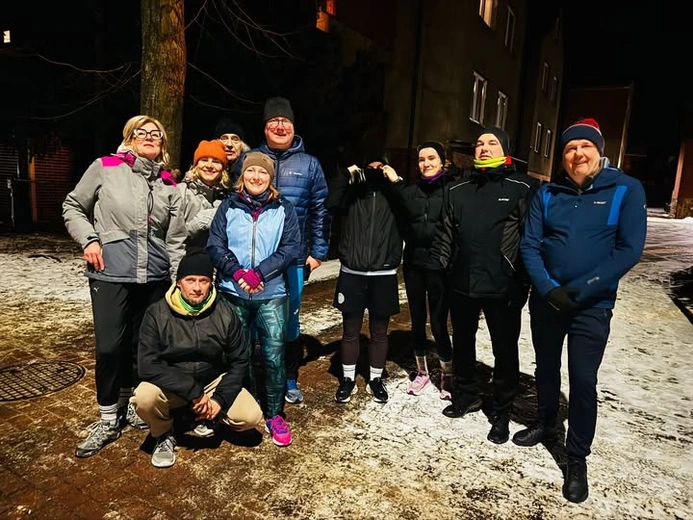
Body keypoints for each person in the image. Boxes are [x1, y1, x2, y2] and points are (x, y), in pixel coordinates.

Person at [516, 118, 647, 503]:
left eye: (585, 147)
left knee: (583, 379)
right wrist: (548, 289)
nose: (577, 154)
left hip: (593, 304)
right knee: (545, 367)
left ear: (599, 151)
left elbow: (629, 249)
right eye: (570, 148)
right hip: (548, 301)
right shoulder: (548, 192)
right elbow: (530, 245)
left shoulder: (625, 189)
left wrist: (583, 289)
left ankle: (576, 457)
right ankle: (545, 423)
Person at [62, 114, 186, 458]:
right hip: (110, 273)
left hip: (154, 277)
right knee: (109, 348)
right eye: (141, 132)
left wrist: (176, 278)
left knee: (140, 347)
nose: (149, 137)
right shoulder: (105, 167)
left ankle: (130, 403)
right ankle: (107, 418)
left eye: (156, 134)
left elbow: (174, 238)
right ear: (129, 138)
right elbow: (73, 206)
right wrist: (89, 240)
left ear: (162, 145)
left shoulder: (167, 183)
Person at [430, 127, 538, 444]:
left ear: (505, 150)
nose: (484, 148)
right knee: (463, 343)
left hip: (503, 287)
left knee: (504, 350)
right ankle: (466, 395)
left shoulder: (522, 187)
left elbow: (530, 238)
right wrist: (442, 271)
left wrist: (522, 283)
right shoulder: (458, 189)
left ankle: (501, 411)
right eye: (479, 143)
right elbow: (445, 234)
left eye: (492, 143)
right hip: (462, 283)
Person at [132, 251, 263, 468]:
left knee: (250, 416)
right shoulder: (156, 313)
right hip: (173, 384)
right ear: (178, 283)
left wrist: (218, 400)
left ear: (211, 284)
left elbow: (239, 361)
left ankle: (208, 416)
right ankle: (163, 434)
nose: (197, 287)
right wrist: (192, 391)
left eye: (203, 281)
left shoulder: (225, 313)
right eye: (190, 280)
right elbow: (147, 365)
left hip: (211, 382)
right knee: (143, 397)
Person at [207, 151, 301, 447]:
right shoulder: (228, 206)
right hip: (232, 293)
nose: (256, 177)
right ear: (242, 175)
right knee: (240, 355)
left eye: (262, 172)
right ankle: (245, 406)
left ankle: (274, 413)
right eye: (251, 171)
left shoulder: (284, 208)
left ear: (270, 178)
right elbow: (215, 245)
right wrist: (237, 273)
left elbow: (290, 248)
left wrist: (259, 273)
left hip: (271, 294)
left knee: (273, 356)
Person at [252, 96, 331, 405]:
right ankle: (256, 378)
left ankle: (288, 376)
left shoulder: (309, 164)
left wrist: (318, 251)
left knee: (289, 321)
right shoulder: (251, 158)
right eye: (274, 121)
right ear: (265, 127)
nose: (280, 126)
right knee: (253, 321)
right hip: (256, 259)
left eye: (285, 121)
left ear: (294, 126)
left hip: (294, 260)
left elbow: (320, 209)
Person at [326, 152, 403, 404]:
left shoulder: (394, 195)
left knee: (379, 332)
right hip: (353, 272)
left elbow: (411, 211)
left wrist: (396, 182)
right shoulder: (352, 194)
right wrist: (345, 175)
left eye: (380, 167)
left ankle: (376, 379)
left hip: (384, 273)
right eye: (370, 167)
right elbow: (331, 203)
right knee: (350, 330)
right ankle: (348, 379)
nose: (375, 172)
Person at [384, 141, 455, 399]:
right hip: (414, 263)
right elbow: (397, 196)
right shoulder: (411, 192)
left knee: (438, 323)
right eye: (422, 159)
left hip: (440, 265)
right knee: (416, 320)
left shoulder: (452, 191)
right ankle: (422, 371)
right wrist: (393, 179)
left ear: (442, 161)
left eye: (431, 158)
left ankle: (447, 374)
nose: (426, 163)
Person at [179, 140, 230, 251]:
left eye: (216, 161)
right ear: (196, 165)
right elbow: (173, 237)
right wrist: (201, 222)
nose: (209, 166)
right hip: (186, 258)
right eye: (204, 160)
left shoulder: (226, 197)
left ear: (223, 168)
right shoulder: (181, 192)